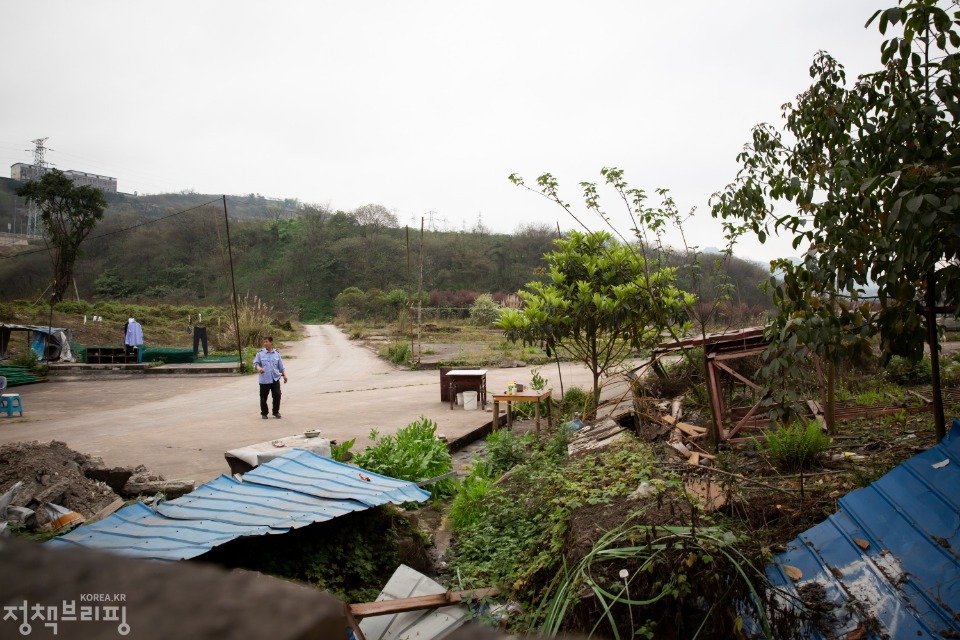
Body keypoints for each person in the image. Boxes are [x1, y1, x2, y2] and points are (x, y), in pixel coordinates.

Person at [253, 336, 287, 419]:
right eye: (264, 342)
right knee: (263, 397)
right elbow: (255, 364)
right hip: (264, 379)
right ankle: (264, 413)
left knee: (277, 395)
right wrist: (259, 368)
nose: (265, 343)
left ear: (271, 342)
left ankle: (276, 412)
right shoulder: (260, 354)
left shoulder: (277, 353)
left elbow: (281, 366)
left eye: (266, 342)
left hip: (275, 378)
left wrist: (284, 375)